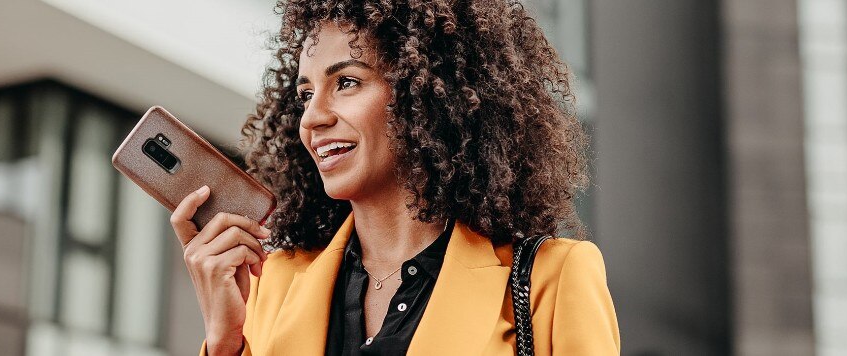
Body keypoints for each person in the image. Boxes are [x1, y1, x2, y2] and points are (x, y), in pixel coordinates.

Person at [167, 1, 619, 355]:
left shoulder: (551, 279)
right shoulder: (273, 283)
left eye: (346, 82)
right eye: (305, 94)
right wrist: (224, 343)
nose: (312, 117)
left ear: (427, 93)